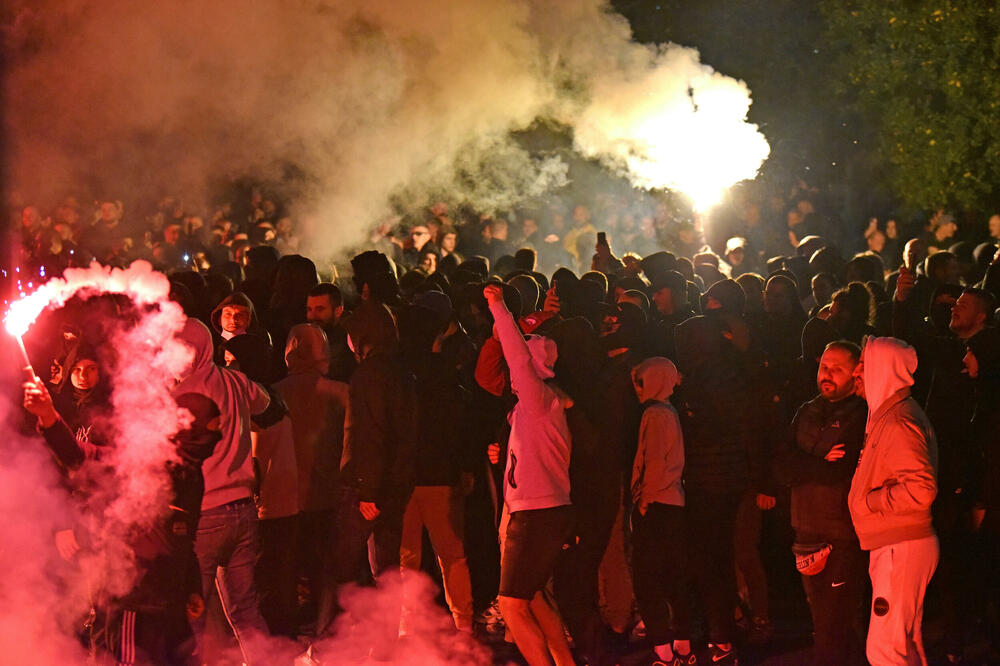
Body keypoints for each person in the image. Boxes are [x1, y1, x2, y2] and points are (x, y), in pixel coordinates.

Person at [24, 376, 221, 666]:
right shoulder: (143, 463)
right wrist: (48, 417)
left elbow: (183, 539)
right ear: (190, 429)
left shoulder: (191, 476)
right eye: (212, 430)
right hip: (132, 607)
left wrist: (191, 586)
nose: (217, 437)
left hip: (170, 605)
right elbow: (80, 456)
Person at [484, 283, 575, 666]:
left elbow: (514, 354)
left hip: (535, 515)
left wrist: (498, 305)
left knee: (511, 606)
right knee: (534, 597)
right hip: (546, 511)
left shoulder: (537, 398)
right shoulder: (541, 403)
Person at [173, 318, 272, 664]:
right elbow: (266, 405)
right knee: (245, 610)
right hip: (244, 508)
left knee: (191, 611)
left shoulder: (181, 394)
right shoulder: (236, 380)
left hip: (205, 514)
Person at [773, 341, 867, 665]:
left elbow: (839, 471)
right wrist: (817, 463)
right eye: (824, 366)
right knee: (822, 620)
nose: (827, 374)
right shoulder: (807, 410)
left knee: (836, 621)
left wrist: (806, 464)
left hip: (841, 533)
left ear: (856, 374)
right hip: (805, 529)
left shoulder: (861, 415)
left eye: (837, 369)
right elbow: (781, 464)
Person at [849, 337, 938, 666]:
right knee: (902, 645)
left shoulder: (900, 422)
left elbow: (921, 489)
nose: (857, 371)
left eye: (864, 364)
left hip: (900, 547)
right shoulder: (890, 415)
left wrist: (870, 502)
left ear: (882, 369)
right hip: (897, 544)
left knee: (885, 650)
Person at [629, 357, 694, 666]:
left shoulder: (654, 414)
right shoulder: (670, 412)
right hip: (674, 503)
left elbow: (654, 461)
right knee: (674, 576)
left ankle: (663, 651)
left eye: (641, 381)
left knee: (647, 579)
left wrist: (643, 501)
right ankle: (684, 647)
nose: (636, 389)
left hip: (656, 505)